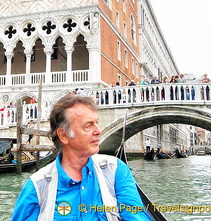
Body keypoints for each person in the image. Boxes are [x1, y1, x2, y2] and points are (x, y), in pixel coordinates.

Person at [11, 94, 151, 220]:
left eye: (96, 122)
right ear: (64, 135)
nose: (98, 131)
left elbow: (136, 217)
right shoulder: (36, 187)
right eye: (88, 126)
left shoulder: (116, 170)